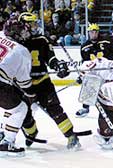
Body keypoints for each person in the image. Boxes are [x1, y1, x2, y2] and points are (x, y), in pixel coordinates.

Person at [17, 12, 81, 150]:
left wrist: (58, 66)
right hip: (23, 85)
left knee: (55, 110)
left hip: (42, 83)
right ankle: (31, 132)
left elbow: (50, 58)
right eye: (32, 24)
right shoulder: (15, 42)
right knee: (22, 113)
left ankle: (71, 136)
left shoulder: (42, 40)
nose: (35, 26)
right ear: (24, 25)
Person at [0, 18, 34, 156]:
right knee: (21, 108)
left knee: (11, 106)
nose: (24, 34)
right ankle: (7, 142)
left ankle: (2, 133)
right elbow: (24, 82)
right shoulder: (22, 51)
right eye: (21, 31)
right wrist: (31, 94)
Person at [76, 23, 113, 117]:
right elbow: (86, 63)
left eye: (95, 32)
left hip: (109, 70)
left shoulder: (109, 39)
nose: (93, 34)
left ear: (98, 32)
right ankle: (85, 108)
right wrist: (82, 75)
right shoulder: (84, 46)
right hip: (95, 70)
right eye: (91, 32)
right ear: (88, 33)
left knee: (111, 88)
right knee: (89, 85)